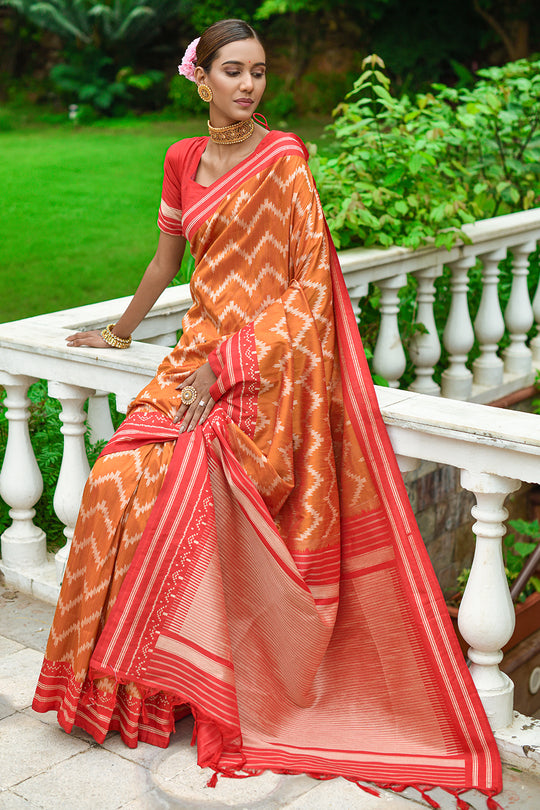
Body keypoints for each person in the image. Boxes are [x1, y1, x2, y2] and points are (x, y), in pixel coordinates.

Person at [33, 18, 502, 805]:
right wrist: (118, 332)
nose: (249, 85)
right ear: (201, 77)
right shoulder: (181, 159)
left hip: (267, 368)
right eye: (234, 71)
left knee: (182, 493)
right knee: (116, 476)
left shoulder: (284, 160)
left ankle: (189, 685)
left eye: (258, 72)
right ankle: (124, 690)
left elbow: (311, 287)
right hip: (191, 358)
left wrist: (233, 363)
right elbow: (165, 260)